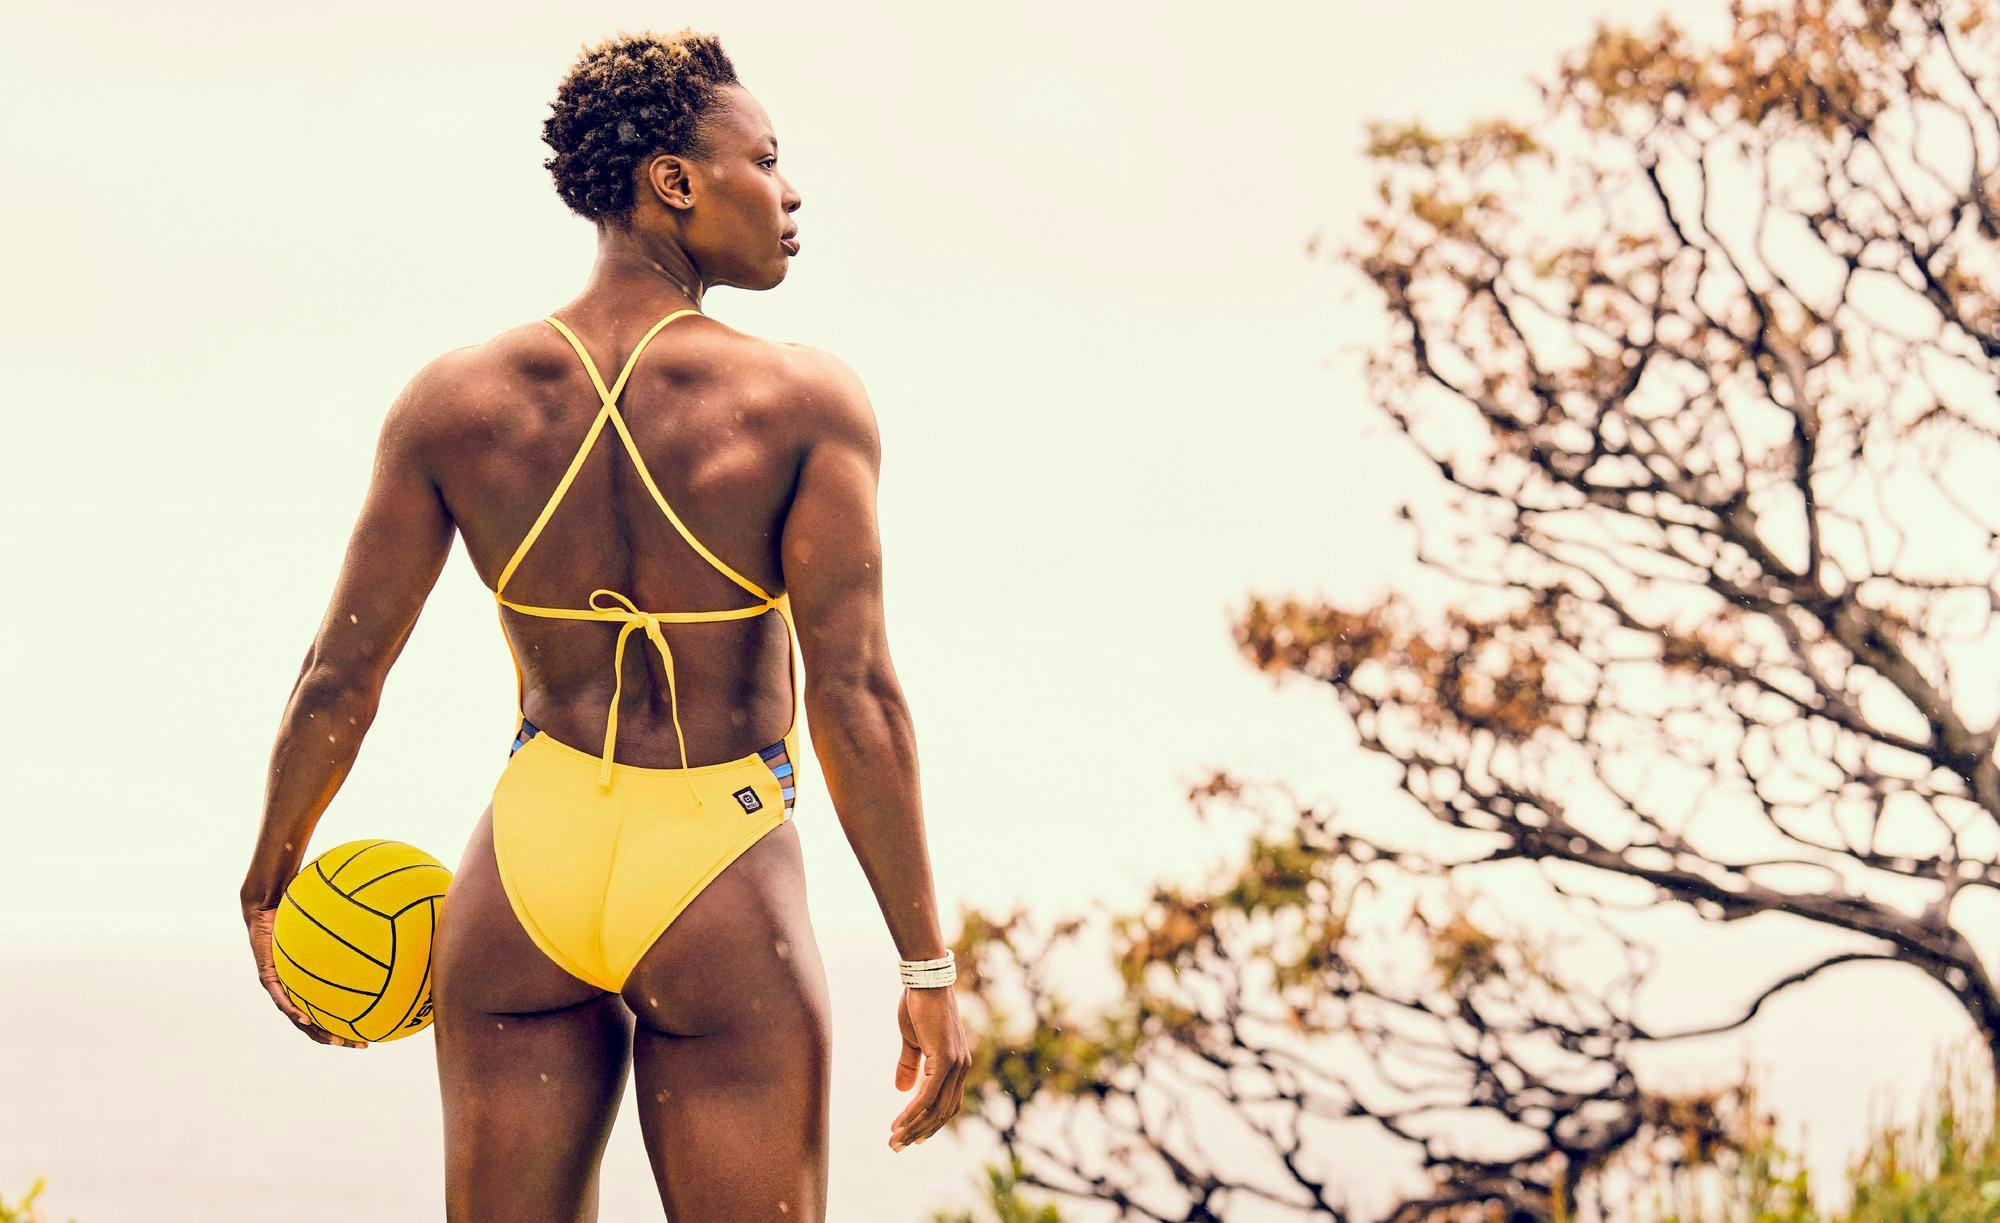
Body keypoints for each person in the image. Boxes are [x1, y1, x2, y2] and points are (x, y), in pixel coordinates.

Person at [235, 28, 967, 1220]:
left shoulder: (453, 401)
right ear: (672, 181)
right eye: (765, 159)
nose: (789, 192)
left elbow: (337, 674)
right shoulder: (798, 400)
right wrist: (925, 966)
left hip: (528, 857)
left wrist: (271, 882)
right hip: (718, 864)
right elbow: (856, 696)